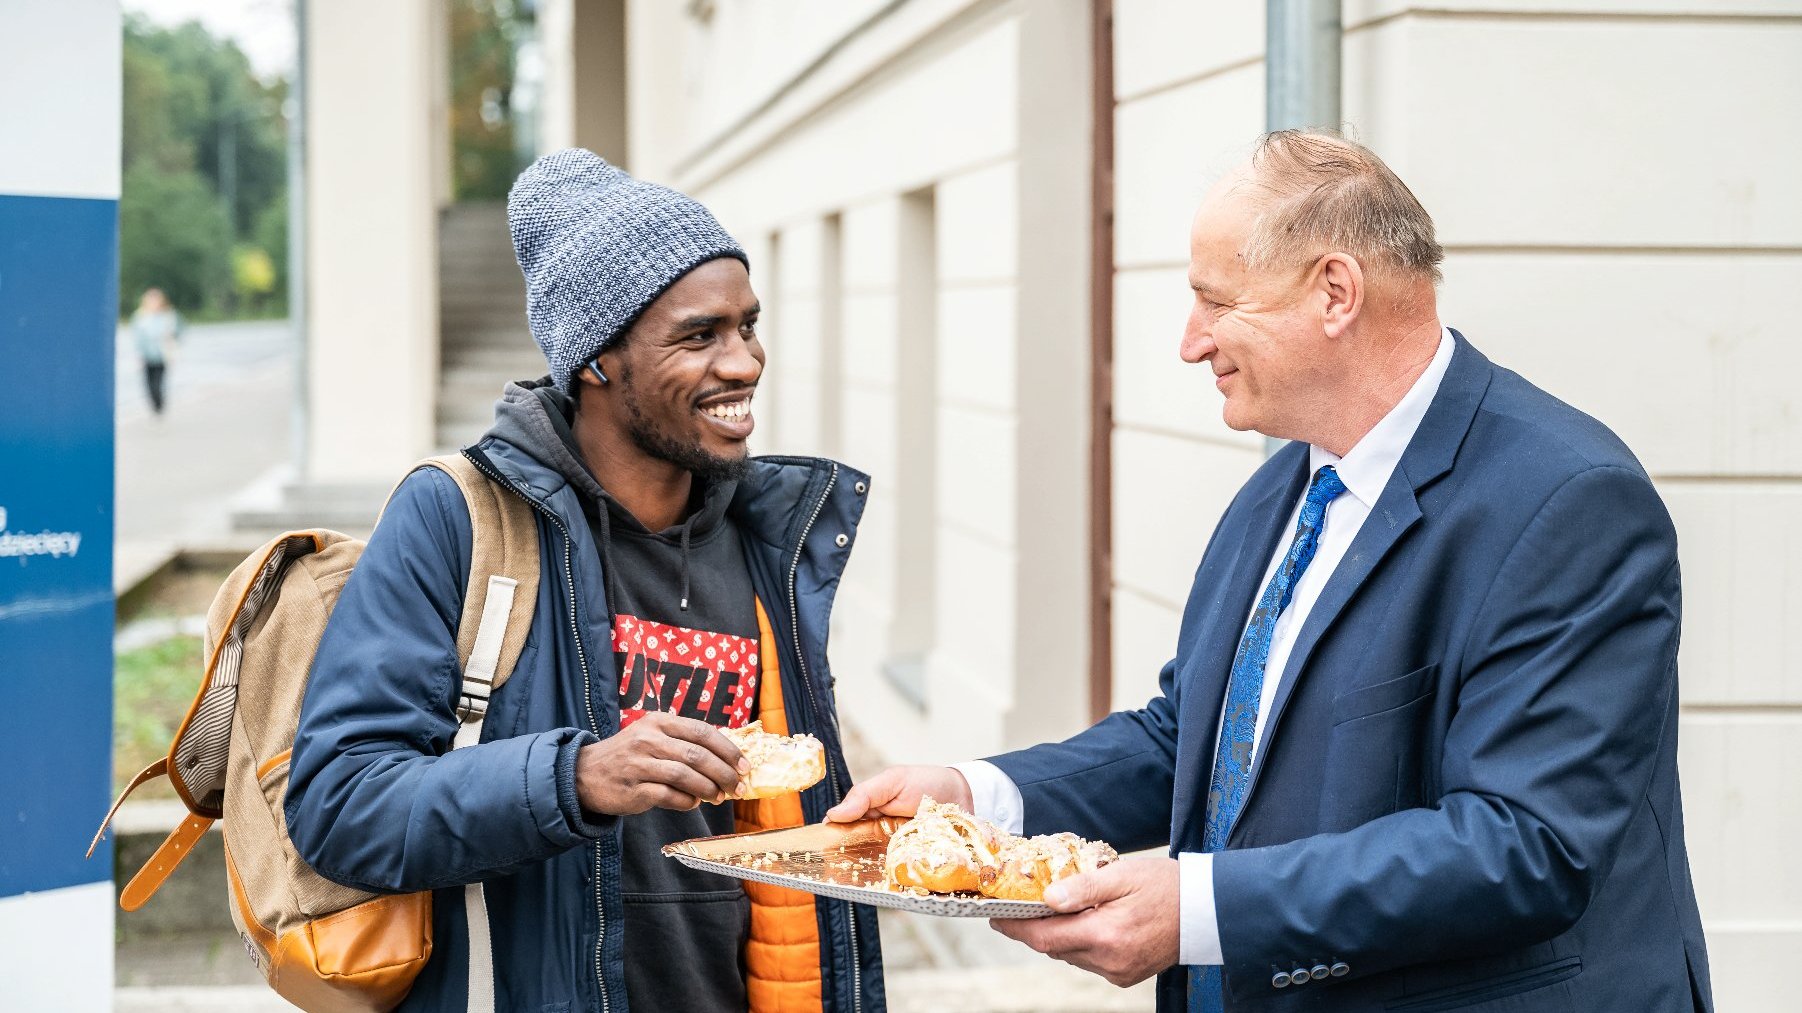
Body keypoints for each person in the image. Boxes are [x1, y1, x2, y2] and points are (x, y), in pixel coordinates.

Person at [830, 131, 1711, 1012]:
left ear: (1335, 293)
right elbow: (1195, 739)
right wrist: (981, 795)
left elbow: (1525, 844)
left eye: (1215, 302)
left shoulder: (1569, 502)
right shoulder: (1289, 480)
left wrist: (1199, 910)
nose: (1190, 342)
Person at [286, 149, 885, 1013]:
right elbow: (341, 804)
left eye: (748, 325)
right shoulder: (458, 519)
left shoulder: (765, 534)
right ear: (597, 360)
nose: (745, 362)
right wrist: (574, 777)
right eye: (699, 335)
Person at [128, 287, 179, 414]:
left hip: (162, 354)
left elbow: (177, 331)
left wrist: (172, 341)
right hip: (147, 355)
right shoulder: (140, 317)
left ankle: (159, 404)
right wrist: (138, 355)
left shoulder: (168, 315)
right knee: (148, 384)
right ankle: (154, 405)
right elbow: (137, 337)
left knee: (158, 383)